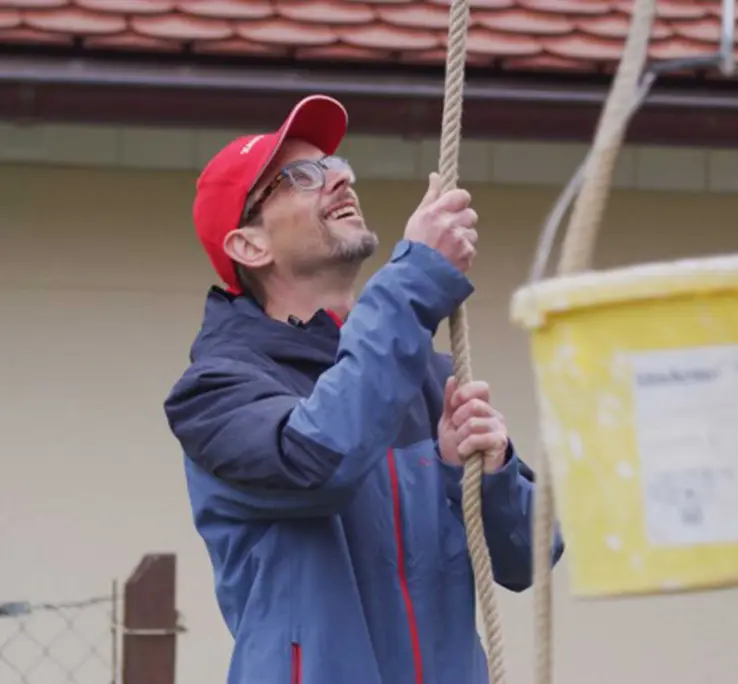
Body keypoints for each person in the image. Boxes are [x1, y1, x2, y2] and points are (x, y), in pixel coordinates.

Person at [163, 94, 565, 684]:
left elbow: (531, 555)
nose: (339, 178)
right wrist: (416, 279)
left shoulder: (420, 371)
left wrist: (490, 469)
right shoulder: (216, 392)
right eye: (300, 176)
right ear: (249, 245)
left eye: (336, 165)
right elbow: (318, 459)